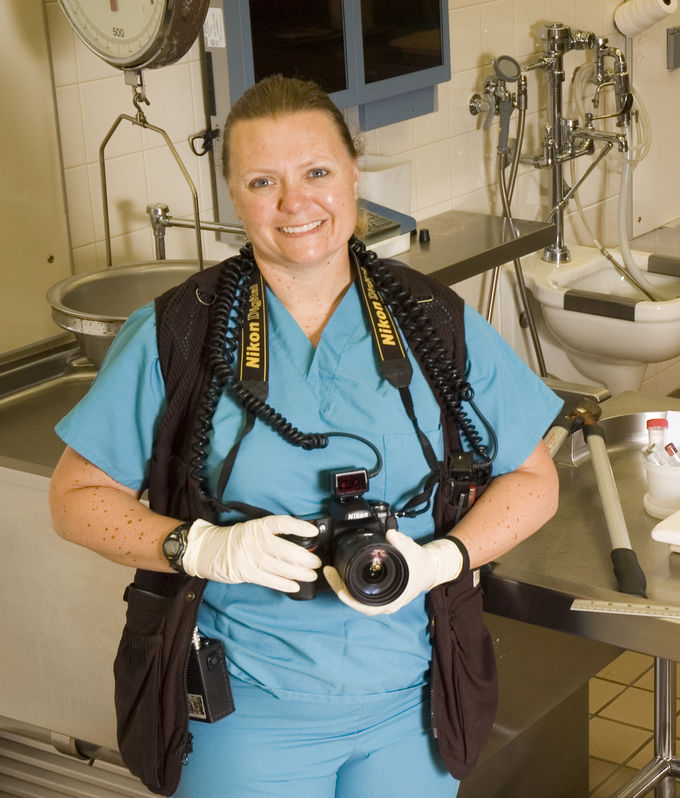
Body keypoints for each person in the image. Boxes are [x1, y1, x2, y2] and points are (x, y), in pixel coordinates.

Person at [47, 74, 562, 797]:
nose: (296, 203)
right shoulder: (179, 332)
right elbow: (75, 497)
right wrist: (198, 546)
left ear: (354, 174)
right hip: (243, 714)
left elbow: (535, 479)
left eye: (317, 172)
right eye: (264, 181)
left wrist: (446, 559)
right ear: (234, 195)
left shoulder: (434, 321)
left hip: (413, 709)